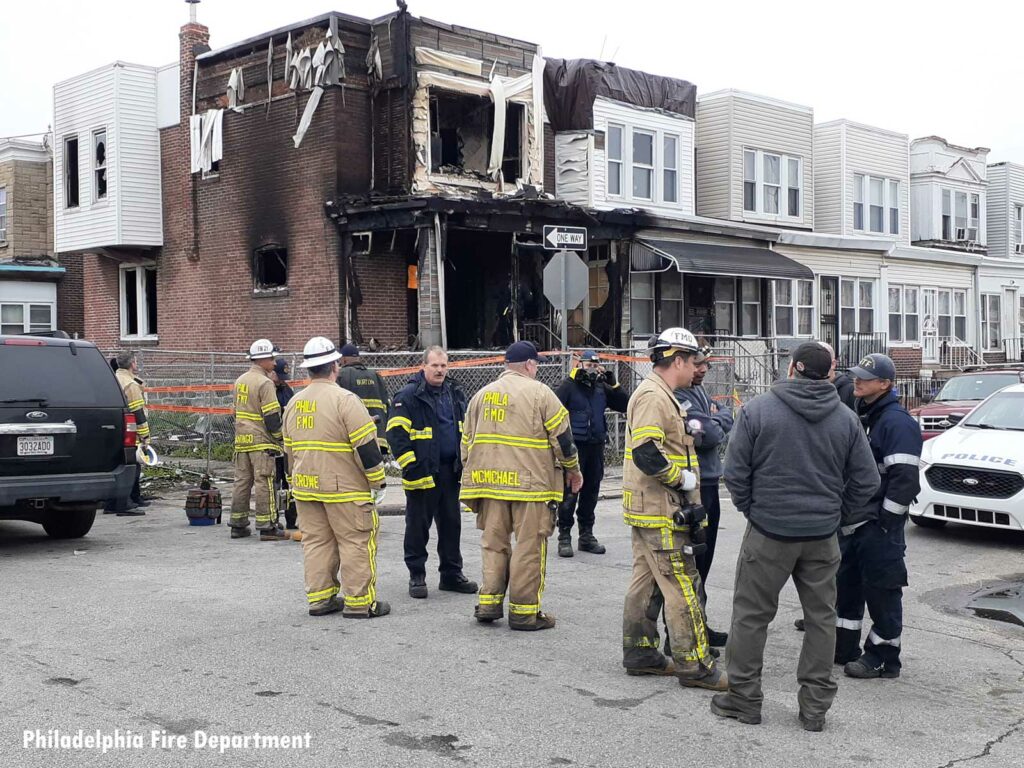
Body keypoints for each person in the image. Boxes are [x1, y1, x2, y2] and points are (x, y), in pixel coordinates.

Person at [712, 341, 878, 731]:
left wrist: (755, 510)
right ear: (829, 374)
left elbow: (735, 474)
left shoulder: (757, 410)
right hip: (822, 534)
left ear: (792, 369)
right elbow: (866, 480)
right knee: (822, 619)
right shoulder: (845, 418)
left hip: (769, 531)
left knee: (751, 617)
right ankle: (814, 708)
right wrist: (838, 514)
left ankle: (744, 699)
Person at [620, 328, 726, 691]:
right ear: (677, 361)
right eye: (693, 361)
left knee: (646, 581)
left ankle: (641, 654)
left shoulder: (663, 394)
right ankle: (694, 665)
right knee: (683, 584)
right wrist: (682, 480)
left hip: (649, 507)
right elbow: (646, 451)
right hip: (661, 509)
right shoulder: (654, 396)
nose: (697, 368)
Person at [460, 341, 583, 631]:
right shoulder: (541, 393)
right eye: (536, 364)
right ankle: (524, 612)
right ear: (529, 365)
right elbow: (563, 440)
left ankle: (489, 603)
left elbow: (466, 443)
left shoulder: (480, 396)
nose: (537, 368)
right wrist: (573, 471)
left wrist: (473, 472)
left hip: (489, 486)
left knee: (493, 544)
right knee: (529, 547)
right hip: (531, 487)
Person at [282, 337, 390, 618]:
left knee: (316, 543)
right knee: (355, 542)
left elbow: (289, 451)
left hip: (306, 488)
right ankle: (359, 602)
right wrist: (378, 482)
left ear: (308, 369)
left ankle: (320, 599)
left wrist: (293, 483)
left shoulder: (294, 403)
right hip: (345, 490)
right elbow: (366, 447)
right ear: (335, 365)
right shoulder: (346, 400)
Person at [835, 353, 922, 680]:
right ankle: (844, 648)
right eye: (856, 375)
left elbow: (904, 480)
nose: (857, 381)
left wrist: (885, 522)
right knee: (848, 586)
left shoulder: (896, 422)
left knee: (882, 591)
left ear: (885, 384)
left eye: (865, 378)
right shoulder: (863, 413)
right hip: (855, 521)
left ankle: (883, 657)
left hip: (878, 526)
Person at [387, 346, 477, 599]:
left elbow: (464, 428)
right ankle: (417, 575)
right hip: (422, 472)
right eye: (435, 365)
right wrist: (411, 466)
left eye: (443, 366)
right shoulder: (409, 395)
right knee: (418, 526)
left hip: (450, 471)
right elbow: (396, 434)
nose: (439, 370)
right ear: (423, 366)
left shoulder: (454, 392)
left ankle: (451, 574)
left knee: (451, 524)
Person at [674, 343, 732, 647]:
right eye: (698, 364)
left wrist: (716, 417)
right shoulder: (680, 393)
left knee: (704, 561)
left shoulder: (698, 390)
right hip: (694, 487)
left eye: (705, 364)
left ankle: (700, 623)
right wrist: (716, 419)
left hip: (708, 482)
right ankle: (682, 634)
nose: (703, 369)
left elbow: (722, 417)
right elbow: (707, 436)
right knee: (693, 562)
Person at [554, 349, 628, 558]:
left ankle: (586, 536)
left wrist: (614, 384)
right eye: (589, 365)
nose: (592, 370)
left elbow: (625, 404)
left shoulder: (601, 387)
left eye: (596, 366)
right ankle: (564, 536)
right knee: (569, 493)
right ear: (580, 365)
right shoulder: (569, 386)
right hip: (575, 448)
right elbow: (553, 408)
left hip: (596, 446)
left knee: (591, 492)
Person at [230, 339, 289, 541]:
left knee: (242, 482)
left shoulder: (240, 381)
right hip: (261, 442)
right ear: (262, 359)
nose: (274, 363)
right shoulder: (265, 383)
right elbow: (272, 416)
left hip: (241, 440)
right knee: (265, 481)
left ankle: (238, 525)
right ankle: (267, 526)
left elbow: (235, 412)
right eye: (272, 358)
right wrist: (280, 438)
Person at [106, 350, 150, 516]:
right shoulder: (130, 385)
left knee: (117, 465)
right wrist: (145, 437)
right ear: (132, 364)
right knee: (132, 466)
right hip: (130, 431)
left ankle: (112, 502)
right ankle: (124, 502)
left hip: (114, 428)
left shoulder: (113, 378)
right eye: (136, 362)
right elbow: (138, 412)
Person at [336, 343, 391, 456]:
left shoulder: (341, 375)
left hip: (355, 438)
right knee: (375, 471)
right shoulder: (376, 375)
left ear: (344, 359)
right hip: (378, 437)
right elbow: (386, 405)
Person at [271, 358, 300, 538]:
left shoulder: (286, 389)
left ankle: (291, 519)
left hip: (287, 443)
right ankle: (272, 519)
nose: (282, 380)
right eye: (279, 376)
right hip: (272, 443)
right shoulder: (267, 389)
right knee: (273, 484)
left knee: (289, 482)